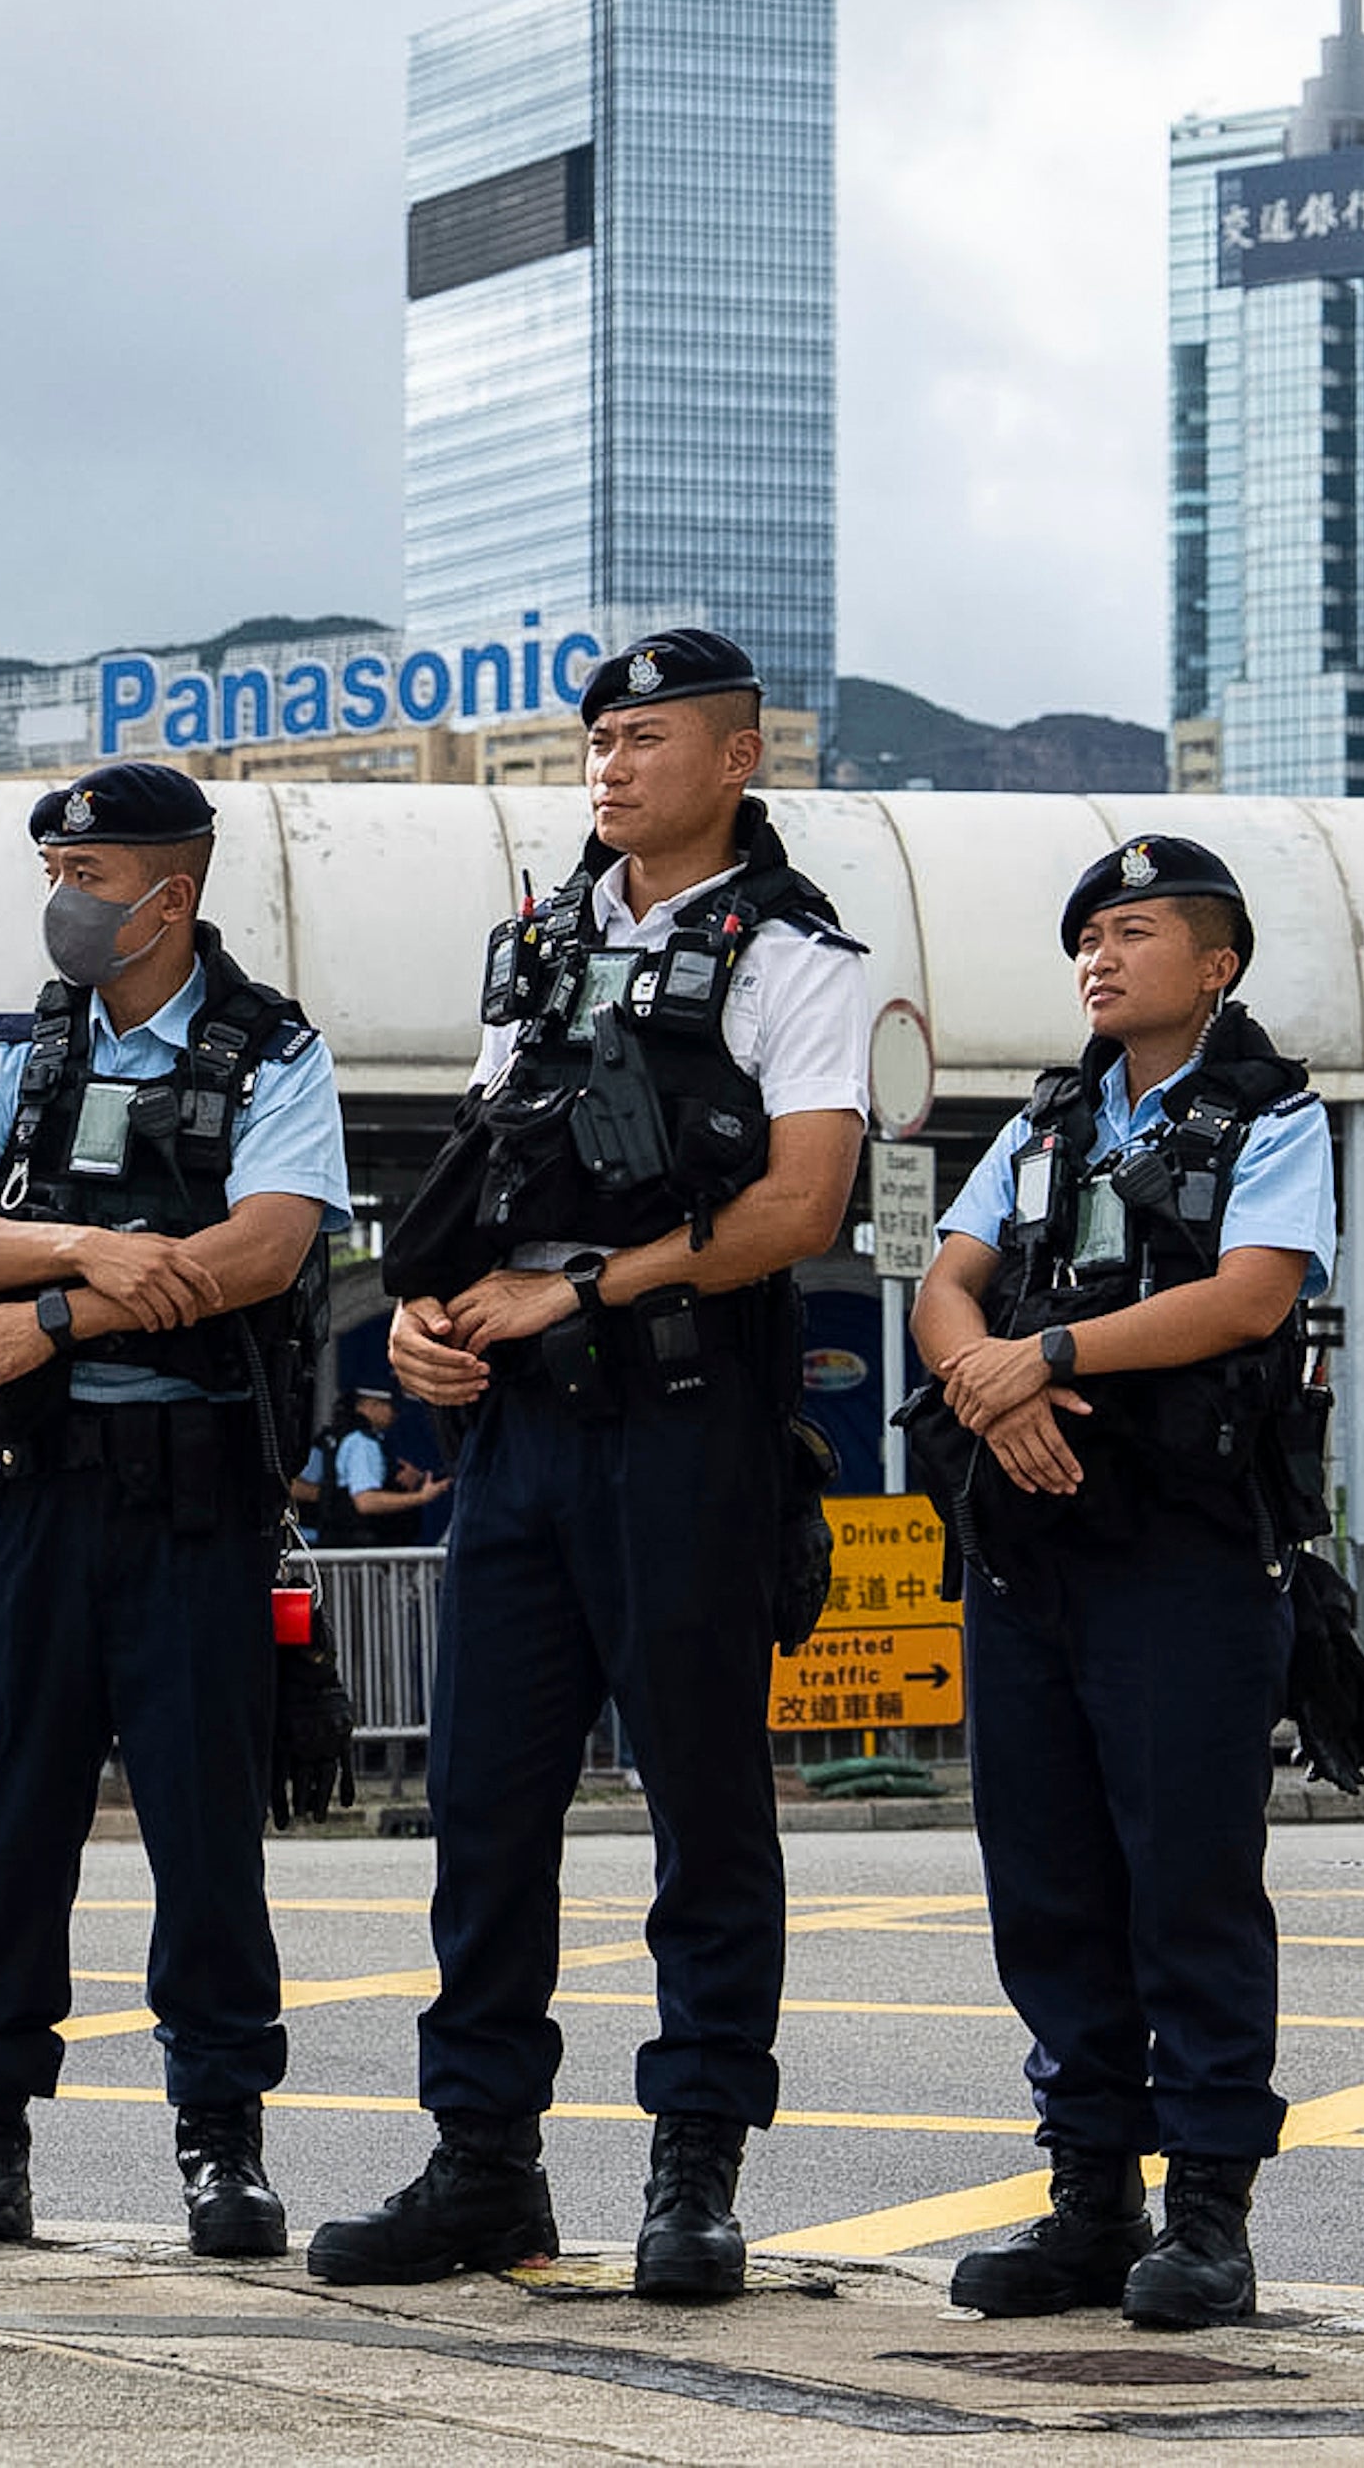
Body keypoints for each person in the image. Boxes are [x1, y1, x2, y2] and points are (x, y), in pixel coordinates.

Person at [315, 627, 868, 2303]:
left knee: (703, 1805)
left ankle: (696, 2162)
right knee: (481, 1809)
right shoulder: (537, 949)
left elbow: (804, 1205)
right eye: (598, 740)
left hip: (689, 1429)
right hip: (523, 1438)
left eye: (644, 737)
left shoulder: (795, 953)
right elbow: (481, 1178)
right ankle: (483, 2156)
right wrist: (423, 1323)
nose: (610, 764)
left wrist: (591, 1281)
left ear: (737, 758)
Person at [0, 759, 350, 2261]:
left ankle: (222, 2140)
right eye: (52, 871)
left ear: (174, 891)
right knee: (14, 1829)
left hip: (193, 1509)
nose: (63, 902)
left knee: (206, 1839)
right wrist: (97, 1249)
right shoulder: (23, 1051)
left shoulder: (271, 1049)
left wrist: (55, 1317)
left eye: (89, 879)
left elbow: (267, 1247)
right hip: (31, 1497)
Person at [906, 832, 1336, 2331]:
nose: (1099, 952)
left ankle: (1208, 2210)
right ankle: (1093, 2195)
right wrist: (987, 1379)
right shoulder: (1043, 1118)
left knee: (1191, 1885)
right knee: (1047, 1884)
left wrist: (1057, 1353)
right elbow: (945, 1276)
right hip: (1032, 1556)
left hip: (1188, 1554)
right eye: (1087, 932)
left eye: (1134, 929)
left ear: (1215, 963)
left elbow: (1251, 1289)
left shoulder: (1274, 1112)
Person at [326, 1387, 446, 1546]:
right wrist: (421, 1497)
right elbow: (366, 1501)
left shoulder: (347, 1438)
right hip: (362, 1552)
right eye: (391, 1406)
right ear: (369, 1406)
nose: (396, 1413)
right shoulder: (363, 1443)